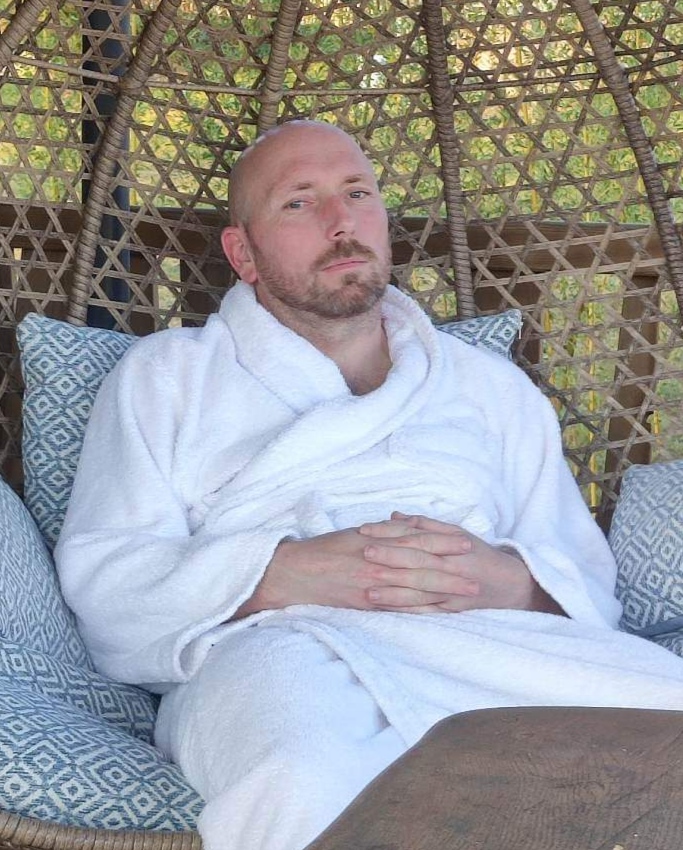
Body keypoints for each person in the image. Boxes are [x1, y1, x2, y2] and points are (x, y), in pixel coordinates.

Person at [55, 120, 683, 850]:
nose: (341, 222)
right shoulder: (167, 377)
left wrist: (507, 582)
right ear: (242, 253)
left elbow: (583, 576)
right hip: (284, 653)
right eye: (299, 202)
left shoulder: (488, 386)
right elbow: (110, 580)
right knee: (307, 779)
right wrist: (282, 574)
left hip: (497, 645)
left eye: (357, 194)